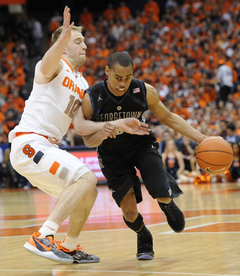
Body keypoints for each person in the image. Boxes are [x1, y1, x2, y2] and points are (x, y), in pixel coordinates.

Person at [8, 8, 149, 265]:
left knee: (88, 190)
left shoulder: (82, 83)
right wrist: (63, 36)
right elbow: (49, 61)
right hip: (30, 143)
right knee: (86, 177)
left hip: (48, 148)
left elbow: (81, 128)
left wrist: (120, 124)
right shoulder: (53, 66)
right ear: (63, 48)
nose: (85, 44)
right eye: (78, 41)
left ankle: (70, 246)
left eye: (83, 40)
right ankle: (43, 235)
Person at [76, 52, 207, 260]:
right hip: (111, 155)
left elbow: (169, 118)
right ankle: (143, 234)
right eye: (118, 78)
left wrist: (203, 139)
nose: (123, 83)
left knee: (161, 192)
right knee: (129, 212)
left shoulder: (144, 91)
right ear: (107, 71)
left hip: (141, 145)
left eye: (127, 78)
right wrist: (103, 133)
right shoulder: (92, 97)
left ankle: (167, 204)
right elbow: (87, 140)